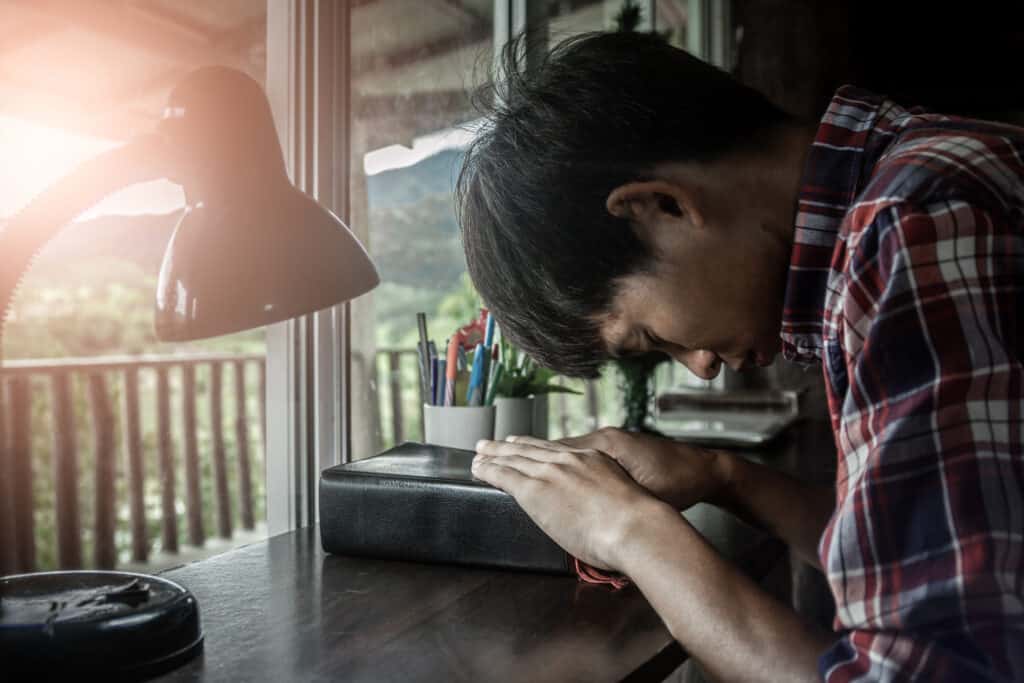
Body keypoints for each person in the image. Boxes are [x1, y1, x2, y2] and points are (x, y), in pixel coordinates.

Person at [458, 31, 1023, 682]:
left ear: (660, 207)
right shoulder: (911, 185)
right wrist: (724, 475)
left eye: (650, 337)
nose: (700, 364)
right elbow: (925, 555)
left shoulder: (913, 228)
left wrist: (630, 530)